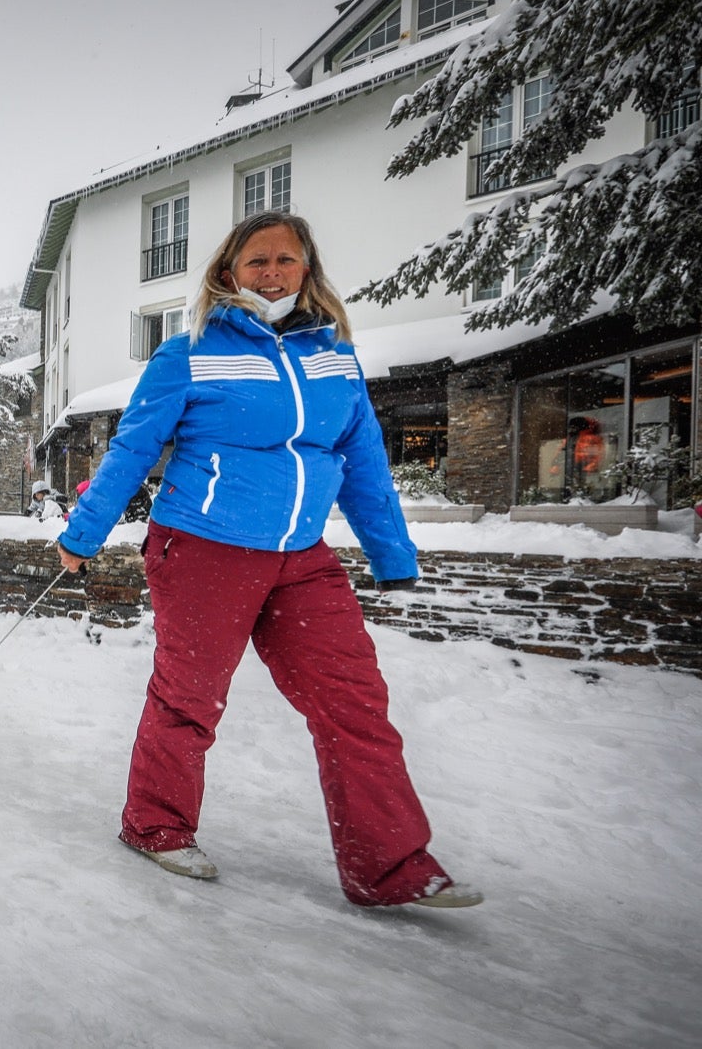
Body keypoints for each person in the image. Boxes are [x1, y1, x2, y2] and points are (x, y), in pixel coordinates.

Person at [54, 210, 481, 910]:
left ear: (306, 269)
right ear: (229, 272)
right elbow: (131, 449)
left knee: (355, 704)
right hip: (202, 549)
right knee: (190, 698)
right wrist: (83, 534)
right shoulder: (190, 351)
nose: (273, 272)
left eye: (287, 260)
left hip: (301, 557)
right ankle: (154, 825)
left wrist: (391, 550)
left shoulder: (333, 355)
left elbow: (364, 458)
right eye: (258, 262)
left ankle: (393, 866)